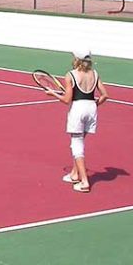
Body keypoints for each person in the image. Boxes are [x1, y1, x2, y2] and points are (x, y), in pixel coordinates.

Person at [51, 48, 109, 193]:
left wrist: (52, 93)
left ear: (76, 59)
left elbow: (66, 99)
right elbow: (105, 95)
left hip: (78, 108)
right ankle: (75, 174)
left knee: (76, 144)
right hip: (91, 108)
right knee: (80, 141)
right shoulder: (94, 73)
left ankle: (84, 182)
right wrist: (94, 105)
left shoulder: (70, 75)